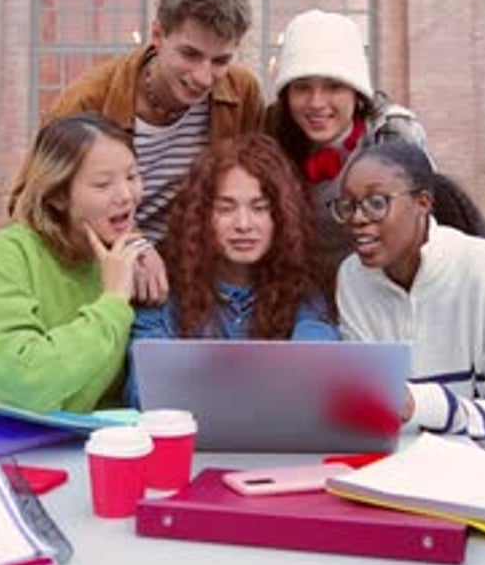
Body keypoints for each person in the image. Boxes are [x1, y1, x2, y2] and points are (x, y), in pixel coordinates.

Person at [14, 0, 263, 258]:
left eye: (220, 61)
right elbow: (29, 203)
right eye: (190, 55)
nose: (203, 78)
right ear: (157, 35)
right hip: (101, 265)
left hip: (199, 267)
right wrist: (132, 244)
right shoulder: (88, 99)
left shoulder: (243, 92)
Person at [126, 133, 340, 406]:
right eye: (226, 209)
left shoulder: (303, 291)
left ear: (281, 217)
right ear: (201, 216)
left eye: (260, 208)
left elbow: (316, 369)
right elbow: (144, 392)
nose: (243, 224)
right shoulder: (162, 290)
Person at [332, 139, 485, 448]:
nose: (357, 217)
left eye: (376, 202)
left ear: (423, 203)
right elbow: (369, 413)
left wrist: (420, 403)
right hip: (390, 474)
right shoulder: (352, 276)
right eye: (348, 205)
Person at [0, 112, 163, 413]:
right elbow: (22, 382)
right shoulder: (8, 255)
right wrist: (112, 302)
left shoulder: (126, 261)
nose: (126, 195)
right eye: (102, 184)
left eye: (132, 177)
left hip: (92, 445)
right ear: (58, 195)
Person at [265, 9, 426, 269]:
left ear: (357, 93)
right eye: (302, 87)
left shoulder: (392, 136)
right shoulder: (273, 138)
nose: (316, 103)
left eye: (334, 86)